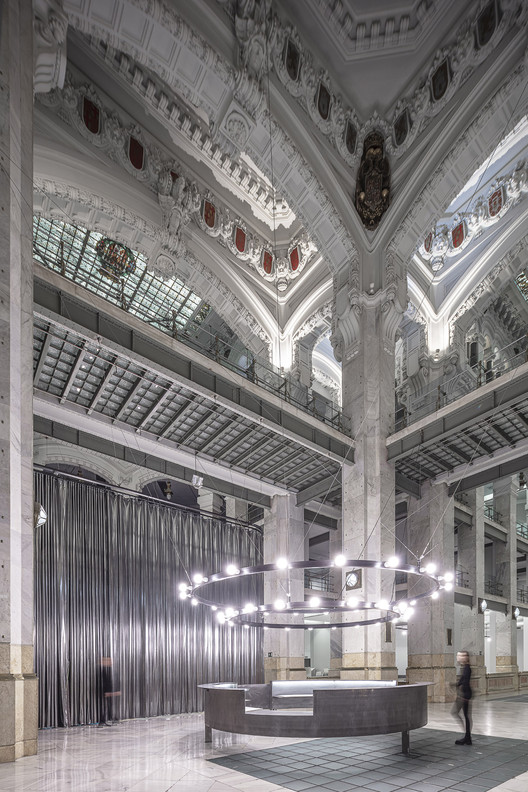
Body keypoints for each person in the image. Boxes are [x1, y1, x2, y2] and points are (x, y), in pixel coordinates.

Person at [452, 650, 472, 745]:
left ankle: (467, 736)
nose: (458, 657)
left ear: (465, 657)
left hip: (465, 695)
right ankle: (467, 736)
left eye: (460, 656)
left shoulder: (467, 668)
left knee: (463, 715)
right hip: (464, 694)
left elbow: (466, 682)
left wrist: (464, 696)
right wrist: (455, 684)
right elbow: (462, 680)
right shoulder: (465, 668)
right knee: (465, 715)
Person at [99, 656, 121, 726]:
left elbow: (113, 681)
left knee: (110, 706)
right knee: (105, 707)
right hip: (105, 692)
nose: (110, 662)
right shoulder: (103, 671)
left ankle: (113, 719)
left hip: (110, 692)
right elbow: (104, 683)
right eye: (108, 661)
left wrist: (115, 691)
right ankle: (102, 721)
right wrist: (107, 692)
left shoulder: (110, 670)